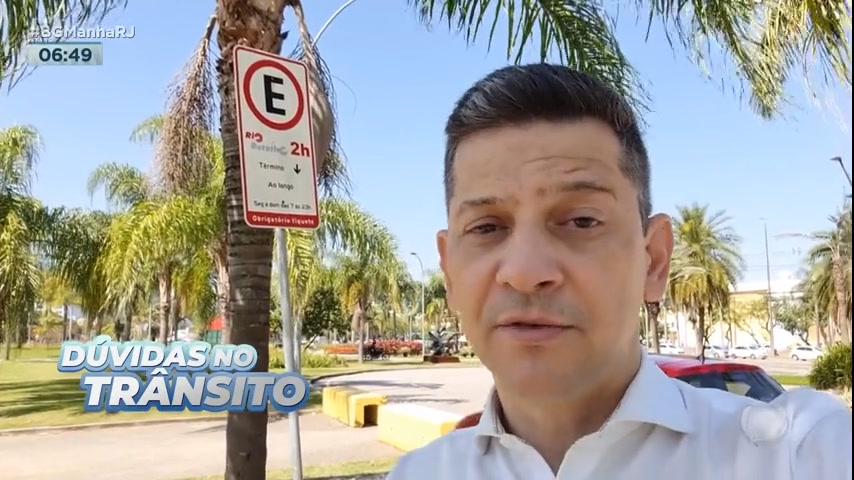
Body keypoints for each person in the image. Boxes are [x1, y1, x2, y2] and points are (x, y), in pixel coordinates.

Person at [386, 64, 852, 479]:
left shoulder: (796, 455)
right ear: (448, 272)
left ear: (654, 261)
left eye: (581, 221)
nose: (526, 272)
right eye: (487, 227)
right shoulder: (419, 472)